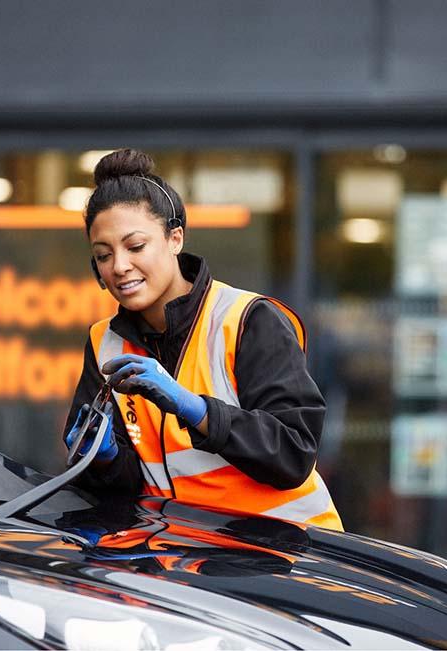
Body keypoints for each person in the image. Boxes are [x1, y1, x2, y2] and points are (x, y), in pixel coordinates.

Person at [64, 149, 342, 531]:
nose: (119, 266)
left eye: (135, 246)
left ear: (175, 238)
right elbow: (127, 490)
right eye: (103, 255)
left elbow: (293, 454)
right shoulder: (104, 343)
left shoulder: (247, 320)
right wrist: (103, 458)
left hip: (291, 553)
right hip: (192, 558)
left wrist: (196, 410)